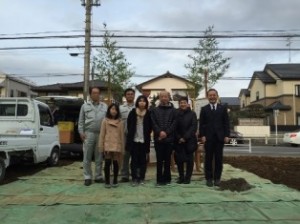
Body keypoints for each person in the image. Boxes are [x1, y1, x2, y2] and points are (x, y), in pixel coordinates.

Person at [199, 89, 230, 187]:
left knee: (218, 159)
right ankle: (208, 178)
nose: (212, 97)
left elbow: (226, 123)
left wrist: (227, 135)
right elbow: (202, 124)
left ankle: (217, 178)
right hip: (208, 138)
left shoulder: (223, 108)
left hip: (220, 138)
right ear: (207, 97)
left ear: (217, 96)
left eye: (214, 95)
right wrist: (202, 135)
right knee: (208, 159)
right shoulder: (204, 109)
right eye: (210, 95)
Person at [78, 87, 108, 186]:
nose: (96, 95)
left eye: (98, 93)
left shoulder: (105, 106)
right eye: (94, 93)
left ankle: (98, 176)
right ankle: (87, 177)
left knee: (99, 157)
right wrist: (81, 132)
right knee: (87, 156)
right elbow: (81, 121)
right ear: (90, 94)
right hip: (88, 133)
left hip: (101, 134)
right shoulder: (84, 106)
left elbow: (108, 121)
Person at [151, 91, 177, 186]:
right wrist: (160, 132)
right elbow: (153, 123)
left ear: (168, 98)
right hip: (158, 139)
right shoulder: (154, 110)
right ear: (159, 98)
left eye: (165, 96)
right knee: (159, 160)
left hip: (169, 139)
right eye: (162, 96)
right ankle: (159, 179)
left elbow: (175, 123)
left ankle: (167, 179)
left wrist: (166, 132)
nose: (163, 98)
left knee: (167, 160)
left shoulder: (174, 110)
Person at [126, 95, 152, 186]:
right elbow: (129, 125)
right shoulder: (133, 112)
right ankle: (134, 178)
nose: (142, 102)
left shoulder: (148, 113)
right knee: (134, 160)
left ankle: (141, 178)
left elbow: (150, 127)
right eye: (140, 101)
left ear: (146, 103)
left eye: (144, 101)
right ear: (137, 102)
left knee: (143, 161)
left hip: (144, 140)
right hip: (134, 140)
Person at [98, 103, 124, 188]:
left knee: (116, 163)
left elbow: (121, 136)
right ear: (109, 110)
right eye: (112, 109)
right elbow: (102, 134)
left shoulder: (120, 122)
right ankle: (107, 181)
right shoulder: (105, 121)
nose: (114, 111)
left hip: (116, 145)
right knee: (107, 163)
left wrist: (121, 147)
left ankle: (115, 180)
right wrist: (101, 146)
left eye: (115, 109)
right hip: (107, 145)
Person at [174, 97, 198, 184]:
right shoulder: (175, 113)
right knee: (179, 160)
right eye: (181, 103)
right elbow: (174, 127)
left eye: (184, 102)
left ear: (188, 104)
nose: (182, 104)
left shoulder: (192, 114)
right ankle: (181, 177)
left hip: (190, 141)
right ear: (179, 104)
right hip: (178, 141)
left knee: (189, 160)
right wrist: (179, 138)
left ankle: (188, 178)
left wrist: (185, 137)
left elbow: (193, 127)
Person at [120, 88, 136, 182]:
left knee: (135, 155)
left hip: (135, 136)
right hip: (124, 135)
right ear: (125, 96)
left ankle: (134, 174)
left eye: (131, 94)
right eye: (128, 94)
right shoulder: (120, 108)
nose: (130, 95)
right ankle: (125, 175)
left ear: (134, 96)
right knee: (125, 155)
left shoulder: (137, 107)